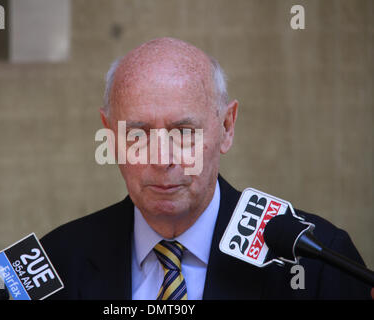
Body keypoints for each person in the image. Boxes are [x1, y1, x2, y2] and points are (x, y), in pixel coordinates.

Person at [41, 37, 371, 299]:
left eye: (183, 133)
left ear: (227, 127)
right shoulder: (55, 259)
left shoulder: (318, 260)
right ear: (110, 134)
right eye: (137, 134)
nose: (162, 158)